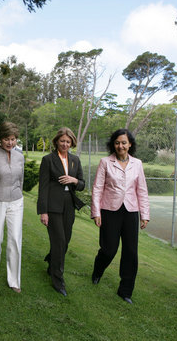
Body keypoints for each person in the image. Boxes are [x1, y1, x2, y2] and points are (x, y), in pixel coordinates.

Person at [90, 129, 149, 304]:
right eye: (117, 142)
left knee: (131, 252)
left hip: (131, 211)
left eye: (124, 142)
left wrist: (144, 214)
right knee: (109, 249)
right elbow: (97, 188)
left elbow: (142, 190)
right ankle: (98, 270)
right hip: (110, 210)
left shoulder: (137, 164)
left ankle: (125, 291)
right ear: (113, 145)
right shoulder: (105, 162)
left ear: (130, 144)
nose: (120, 146)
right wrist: (96, 212)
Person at [37, 127, 85, 296]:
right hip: (53, 206)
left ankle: (52, 261)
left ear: (72, 142)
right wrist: (43, 211)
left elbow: (82, 184)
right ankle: (58, 280)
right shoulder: (48, 160)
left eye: (68, 141)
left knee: (65, 242)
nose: (65, 144)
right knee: (59, 241)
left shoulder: (75, 160)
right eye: (62, 141)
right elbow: (43, 188)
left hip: (69, 206)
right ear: (56, 141)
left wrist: (74, 180)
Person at [0, 122, 25, 293]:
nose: (10, 142)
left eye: (13, 139)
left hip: (16, 201)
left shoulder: (20, 157)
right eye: (7, 139)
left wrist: (18, 195)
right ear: (0, 139)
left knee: (15, 239)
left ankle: (14, 280)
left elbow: (20, 180)